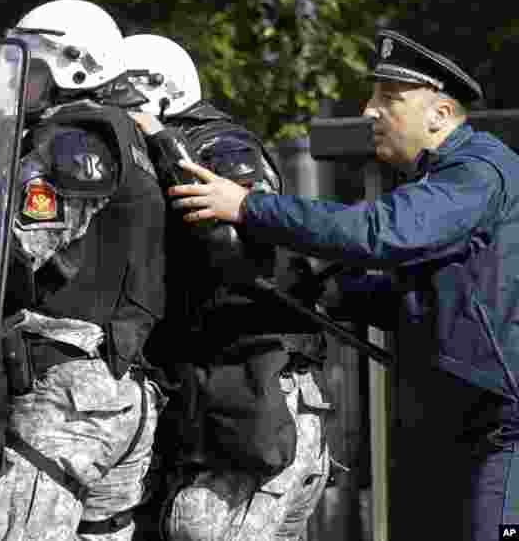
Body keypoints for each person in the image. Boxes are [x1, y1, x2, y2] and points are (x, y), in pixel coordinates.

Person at [169, 29, 519, 540]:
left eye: (389, 98)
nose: (370, 110)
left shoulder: (475, 174)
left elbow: (378, 232)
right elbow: (432, 302)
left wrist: (246, 206)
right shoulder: (450, 176)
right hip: (471, 424)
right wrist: (313, 290)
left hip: (505, 427)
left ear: (440, 115)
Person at [0, 0, 167, 541]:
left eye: (30, 66)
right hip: (112, 387)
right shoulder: (120, 135)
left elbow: (17, 248)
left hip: (69, 390)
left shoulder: (73, 139)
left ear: (73, 67)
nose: (15, 79)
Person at [123, 33, 331, 541]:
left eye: (121, 98)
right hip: (222, 393)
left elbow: (241, 256)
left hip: (255, 388)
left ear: (158, 92)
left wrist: (165, 144)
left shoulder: (219, 144)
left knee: (201, 526)